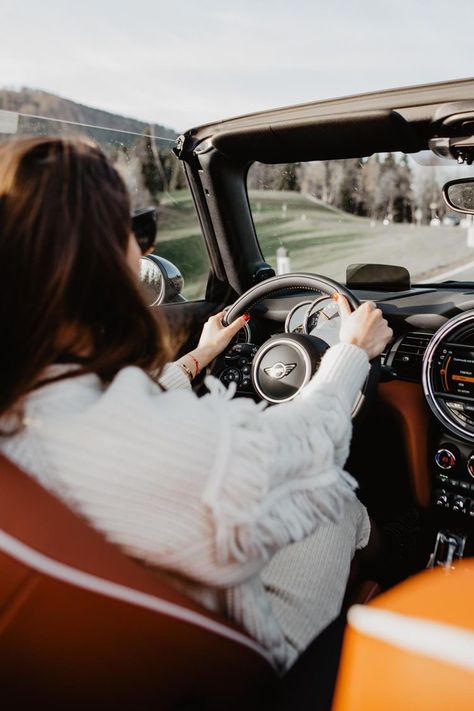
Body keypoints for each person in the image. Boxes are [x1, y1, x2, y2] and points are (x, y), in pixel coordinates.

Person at [0, 136, 392, 673]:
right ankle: (388, 583)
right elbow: (309, 443)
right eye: (135, 233)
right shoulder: (143, 442)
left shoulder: (27, 399)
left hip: (124, 653)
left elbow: (116, 413)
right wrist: (352, 350)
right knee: (336, 501)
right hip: (243, 669)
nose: (142, 251)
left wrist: (199, 357)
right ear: (99, 263)